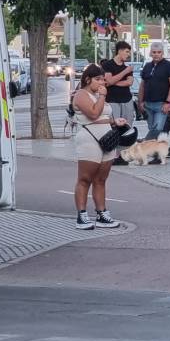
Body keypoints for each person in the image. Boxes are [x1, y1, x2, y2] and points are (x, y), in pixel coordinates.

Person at [72, 64, 127, 230]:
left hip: (106, 137)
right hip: (89, 138)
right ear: (88, 79)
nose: (101, 83)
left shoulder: (98, 94)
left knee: (101, 179)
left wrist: (114, 121)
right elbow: (93, 113)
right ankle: (81, 214)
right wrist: (102, 96)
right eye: (98, 79)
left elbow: (103, 116)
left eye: (103, 79)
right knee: (85, 178)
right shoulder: (82, 95)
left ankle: (102, 212)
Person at [100, 41, 135, 166]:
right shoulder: (108, 65)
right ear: (119, 51)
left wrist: (115, 81)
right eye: (126, 52)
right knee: (114, 127)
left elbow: (130, 82)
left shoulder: (128, 66)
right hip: (113, 99)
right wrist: (124, 73)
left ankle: (122, 155)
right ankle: (112, 155)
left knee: (126, 127)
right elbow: (108, 81)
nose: (128, 55)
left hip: (126, 99)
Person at [138, 43, 170, 142]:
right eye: (154, 52)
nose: (156, 54)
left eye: (159, 52)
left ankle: (144, 144)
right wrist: (140, 102)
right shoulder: (147, 66)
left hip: (161, 104)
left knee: (157, 129)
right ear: (150, 53)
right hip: (147, 104)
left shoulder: (169, 66)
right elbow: (142, 85)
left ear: (162, 53)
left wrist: (168, 102)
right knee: (152, 129)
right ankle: (156, 154)